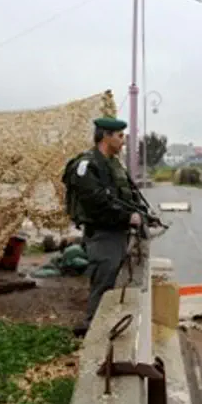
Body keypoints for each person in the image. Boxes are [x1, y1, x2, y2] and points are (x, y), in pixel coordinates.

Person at [62, 116, 142, 337]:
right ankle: (93, 333)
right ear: (106, 136)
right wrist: (128, 217)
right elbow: (98, 204)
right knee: (103, 285)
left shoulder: (111, 164)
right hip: (103, 235)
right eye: (119, 136)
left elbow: (125, 195)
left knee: (111, 283)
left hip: (116, 234)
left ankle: (101, 328)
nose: (123, 141)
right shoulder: (87, 166)